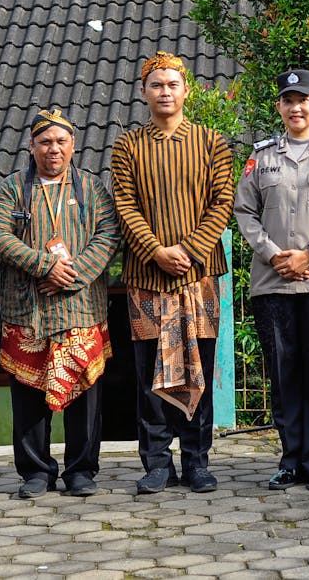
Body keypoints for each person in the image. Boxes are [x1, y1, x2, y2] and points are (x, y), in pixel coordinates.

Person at [111, 51, 235, 495]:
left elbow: (222, 203)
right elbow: (124, 205)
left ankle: (197, 460)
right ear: (144, 91)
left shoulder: (211, 142)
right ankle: (157, 463)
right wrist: (157, 251)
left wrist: (188, 249)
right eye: (156, 84)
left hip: (199, 277)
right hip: (147, 278)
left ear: (186, 90)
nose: (165, 91)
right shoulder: (128, 146)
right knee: (150, 376)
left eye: (172, 84)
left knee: (196, 369)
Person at [234, 70, 309, 492]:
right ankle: (291, 459)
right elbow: (244, 212)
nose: (296, 107)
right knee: (283, 373)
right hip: (273, 282)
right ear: (280, 107)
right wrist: (274, 255)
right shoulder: (262, 156)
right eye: (288, 100)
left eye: (304, 99)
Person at [0, 108, 121, 498]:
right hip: (28, 312)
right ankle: (35, 471)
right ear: (32, 146)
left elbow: (109, 235)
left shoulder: (92, 189)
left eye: (61, 141)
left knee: (86, 394)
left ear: (73, 145)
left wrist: (71, 275)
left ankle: (82, 470)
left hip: (81, 310)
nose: (53, 149)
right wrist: (45, 265)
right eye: (45, 141)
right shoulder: (12, 188)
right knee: (28, 397)